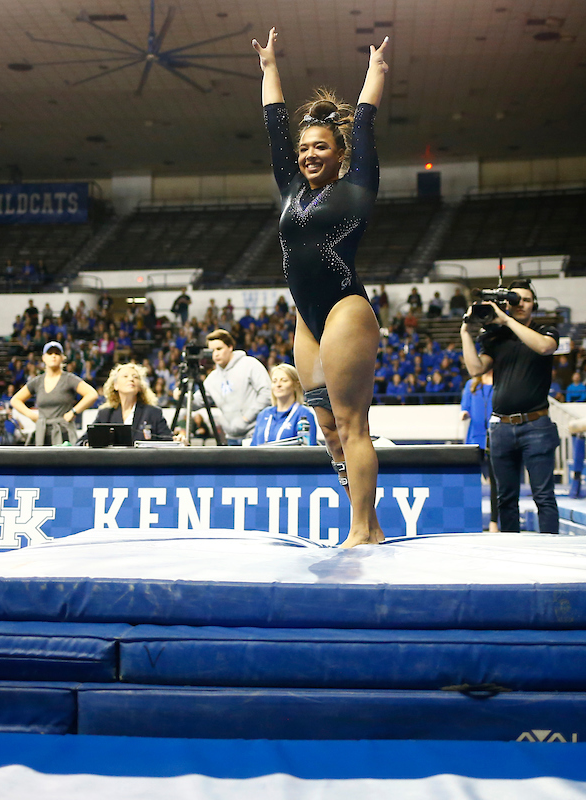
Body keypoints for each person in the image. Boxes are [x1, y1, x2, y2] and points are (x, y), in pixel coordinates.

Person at [254, 27, 388, 546]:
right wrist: (270, 71)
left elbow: (368, 122)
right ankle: (366, 522)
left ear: (339, 154)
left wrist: (374, 73)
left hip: (345, 311)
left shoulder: (357, 188)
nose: (308, 154)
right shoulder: (291, 188)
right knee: (328, 431)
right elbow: (272, 128)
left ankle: (363, 529)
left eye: (320, 148)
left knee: (352, 424)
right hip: (306, 319)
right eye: (304, 147)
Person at [460, 279, 561, 533]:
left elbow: (545, 347)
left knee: (544, 497)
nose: (520, 305)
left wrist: (506, 321)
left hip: (536, 424)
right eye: (515, 300)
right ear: (506, 302)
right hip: (502, 427)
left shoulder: (545, 330)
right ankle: (511, 556)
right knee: (505, 500)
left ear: (534, 304)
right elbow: (475, 369)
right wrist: (464, 331)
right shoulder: (496, 337)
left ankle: (555, 556)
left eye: (526, 300)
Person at [10, 341, 99, 445]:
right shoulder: (38, 381)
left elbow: (92, 394)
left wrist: (73, 412)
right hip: (42, 432)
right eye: (50, 353)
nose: (53, 356)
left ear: (62, 358)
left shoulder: (69, 379)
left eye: (57, 353)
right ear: (44, 358)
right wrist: (31, 415)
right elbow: (15, 400)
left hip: (63, 431)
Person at [202, 328, 272, 445]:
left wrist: (246, 418)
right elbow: (196, 402)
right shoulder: (212, 378)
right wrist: (181, 395)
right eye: (212, 351)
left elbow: (266, 393)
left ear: (230, 347)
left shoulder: (250, 364)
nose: (216, 354)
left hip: (255, 433)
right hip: (230, 437)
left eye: (219, 349)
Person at [93, 362, 173, 442]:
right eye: (125, 376)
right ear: (115, 385)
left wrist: (177, 439)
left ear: (140, 387)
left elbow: (168, 441)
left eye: (135, 377)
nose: (131, 379)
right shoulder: (105, 414)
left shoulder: (153, 413)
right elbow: (85, 441)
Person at [461, 371, 498, 532]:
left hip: (496, 437)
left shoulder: (499, 383)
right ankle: (470, 520)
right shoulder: (472, 384)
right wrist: (464, 413)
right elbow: (465, 406)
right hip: (475, 438)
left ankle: (494, 521)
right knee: (472, 481)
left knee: (495, 483)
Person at [250, 364, 318, 446]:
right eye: (274, 381)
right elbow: (253, 448)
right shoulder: (264, 414)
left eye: (284, 380)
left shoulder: (304, 414)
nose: (278, 385)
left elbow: (309, 450)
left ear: (296, 384)